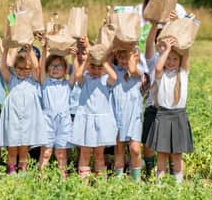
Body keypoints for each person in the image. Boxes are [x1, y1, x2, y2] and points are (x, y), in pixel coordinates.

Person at [145, 38, 193, 184]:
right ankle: (160, 186)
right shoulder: (161, 75)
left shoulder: (183, 74)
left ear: (180, 61)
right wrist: (166, 50)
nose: (171, 62)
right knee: (162, 154)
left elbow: (186, 53)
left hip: (178, 116)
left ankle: (178, 188)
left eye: (175, 59)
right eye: (169, 59)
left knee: (177, 155)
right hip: (163, 116)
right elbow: (158, 68)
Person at [0, 44, 48, 174]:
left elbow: (37, 67)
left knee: (24, 149)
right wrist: (6, 48)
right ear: (15, 68)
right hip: (13, 119)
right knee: (12, 148)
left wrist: (30, 50)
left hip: (27, 121)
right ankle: (11, 172)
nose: (22, 71)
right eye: (19, 68)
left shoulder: (33, 81)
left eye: (26, 69)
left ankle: (23, 171)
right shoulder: (12, 80)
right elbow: (3, 67)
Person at [70, 40, 118, 177]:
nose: (96, 70)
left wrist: (102, 61)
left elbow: (114, 76)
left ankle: (100, 182)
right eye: (93, 67)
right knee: (85, 152)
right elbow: (77, 75)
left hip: (101, 120)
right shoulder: (85, 79)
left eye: (99, 68)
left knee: (99, 153)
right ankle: (83, 184)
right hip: (86, 118)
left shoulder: (106, 80)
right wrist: (87, 60)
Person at [38, 41, 74, 178]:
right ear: (47, 69)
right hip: (47, 120)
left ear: (65, 70)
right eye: (52, 66)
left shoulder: (67, 84)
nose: (55, 68)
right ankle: (41, 179)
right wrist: (44, 48)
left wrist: (73, 55)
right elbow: (40, 67)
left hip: (63, 122)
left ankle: (63, 180)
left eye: (59, 66)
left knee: (61, 153)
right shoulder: (45, 82)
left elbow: (75, 72)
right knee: (46, 152)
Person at [110, 48, 144, 181]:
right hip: (118, 114)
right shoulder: (115, 71)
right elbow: (104, 59)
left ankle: (136, 180)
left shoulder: (138, 70)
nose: (124, 61)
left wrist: (132, 53)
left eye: (127, 58)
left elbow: (132, 68)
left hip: (134, 115)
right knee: (119, 148)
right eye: (121, 58)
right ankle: (118, 179)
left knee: (135, 149)